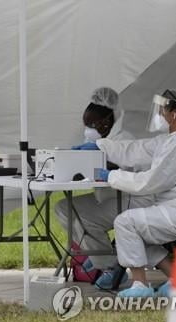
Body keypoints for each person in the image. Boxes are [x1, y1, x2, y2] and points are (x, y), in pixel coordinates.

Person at [94, 89, 176, 297]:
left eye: (162, 111)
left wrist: (111, 176)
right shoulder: (170, 140)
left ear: (174, 115)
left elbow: (151, 182)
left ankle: (140, 286)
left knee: (126, 222)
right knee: (137, 231)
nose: (158, 115)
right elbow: (135, 150)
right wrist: (100, 146)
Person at [55, 87, 150, 289]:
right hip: (109, 197)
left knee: (81, 215)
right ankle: (98, 255)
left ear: (106, 123)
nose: (87, 129)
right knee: (64, 208)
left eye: (91, 124)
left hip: (132, 200)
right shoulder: (99, 141)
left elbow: (123, 169)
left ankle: (109, 265)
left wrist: (100, 162)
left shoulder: (125, 139)